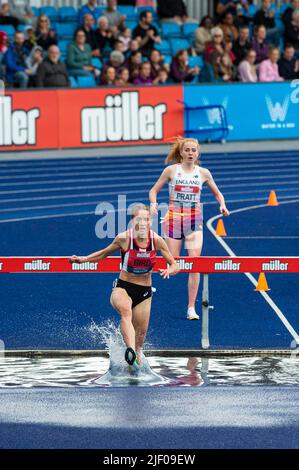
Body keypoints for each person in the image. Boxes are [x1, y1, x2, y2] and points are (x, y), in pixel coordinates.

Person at [70, 204, 179, 365]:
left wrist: (170, 270)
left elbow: (175, 264)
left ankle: (135, 361)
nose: (142, 223)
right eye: (139, 219)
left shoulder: (157, 241)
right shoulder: (124, 239)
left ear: (151, 222)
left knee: (140, 338)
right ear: (132, 222)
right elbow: (103, 254)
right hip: (123, 287)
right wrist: (83, 259)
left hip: (144, 293)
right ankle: (130, 351)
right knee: (126, 312)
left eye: (146, 219)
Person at [149, 138, 229, 321]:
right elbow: (153, 190)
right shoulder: (171, 171)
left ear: (198, 153)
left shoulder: (204, 173)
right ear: (182, 152)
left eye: (194, 150)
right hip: (173, 219)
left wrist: (222, 205)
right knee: (171, 261)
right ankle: (146, 285)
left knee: (194, 263)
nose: (191, 153)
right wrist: (153, 204)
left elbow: (217, 193)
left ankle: (191, 307)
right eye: (188, 150)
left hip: (194, 220)